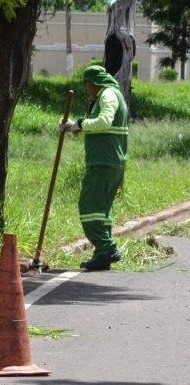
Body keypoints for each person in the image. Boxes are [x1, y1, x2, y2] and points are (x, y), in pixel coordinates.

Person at [60, 65, 128, 271]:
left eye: (87, 84)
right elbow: (99, 127)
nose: (86, 89)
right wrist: (74, 127)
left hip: (103, 162)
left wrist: (79, 124)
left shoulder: (107, 95)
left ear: (94, 83)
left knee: (88, 207)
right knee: (102, 210)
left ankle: (107, 247)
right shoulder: (108, 95)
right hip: (111, 162)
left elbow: (104, 121)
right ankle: (102, 256)